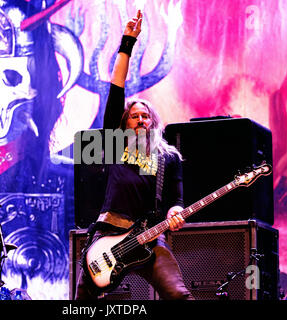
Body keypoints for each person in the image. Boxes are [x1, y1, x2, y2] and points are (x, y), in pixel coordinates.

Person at [75, 11, 193, 300]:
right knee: (82, 300)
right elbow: (117, 88)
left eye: (145, 117)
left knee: (178, 295)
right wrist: (128, 41)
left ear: (153, 123)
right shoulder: (116, 144)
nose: (140, 120)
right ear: (124, 123)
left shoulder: (168, 157)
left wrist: (175, 211)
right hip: (107, 236)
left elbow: (175, 200)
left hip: (149, 237)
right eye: (134, 116)